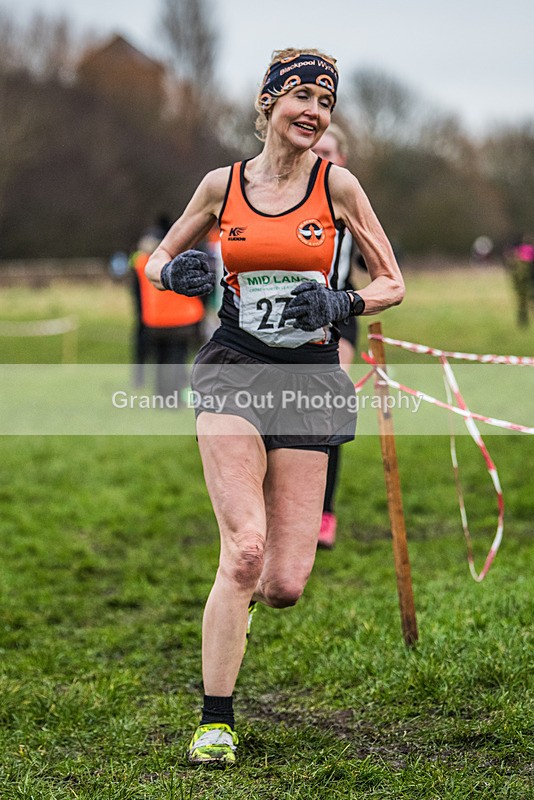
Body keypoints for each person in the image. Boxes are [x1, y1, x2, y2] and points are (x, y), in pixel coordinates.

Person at [146, 47, 404, 766]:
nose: (314, 113)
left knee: (284, 582)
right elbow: (156, 259)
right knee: (244, 553)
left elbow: (393, 281)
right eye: (301, 98)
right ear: (268, 104)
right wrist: (180, 272)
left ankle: (246, 592)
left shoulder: (338, 185)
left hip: (310, 374)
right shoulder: (219, 185)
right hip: (235, 365)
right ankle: (215, 719)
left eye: (325, 103)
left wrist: (341, 300)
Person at [312, 123, 366, 548]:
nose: (320, 157)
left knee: (326, 403)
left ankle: (324, 513)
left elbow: (378, 261)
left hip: (340, 312)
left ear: (342, 158)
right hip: (289, 315)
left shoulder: (348, 197)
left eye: (328, 151)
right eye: (315, 150)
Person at [130, 216, 206, 401]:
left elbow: (136, 291)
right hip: (183, 319)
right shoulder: (187, 259)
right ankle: (173, 399)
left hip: (154, 319)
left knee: (160, 361)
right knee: (177, 361)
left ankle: (161, 398)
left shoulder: (142, 262)